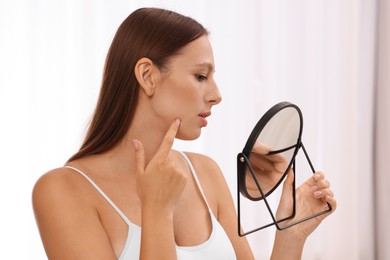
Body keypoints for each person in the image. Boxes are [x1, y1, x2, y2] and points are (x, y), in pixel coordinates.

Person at [32, 7, 336, 260]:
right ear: (147, 76)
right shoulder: (62, 192)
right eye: (200, 76)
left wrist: (290, 235)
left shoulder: (206, 173)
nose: (217, 95)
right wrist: (157, 211)